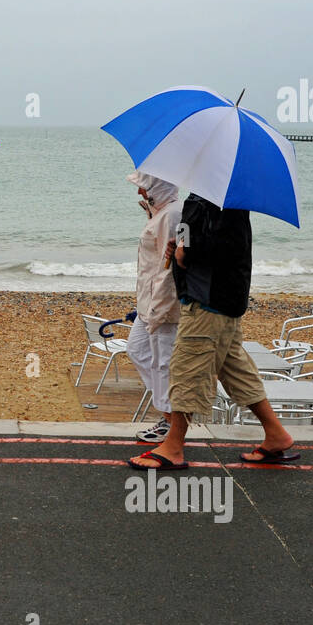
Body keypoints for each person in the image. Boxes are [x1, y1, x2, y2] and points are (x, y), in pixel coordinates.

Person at [127, 192, 297, 470]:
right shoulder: (211, 199)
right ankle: (276, 433)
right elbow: (195, 234)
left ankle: (173, 447)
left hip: (208, 300)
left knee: (186, 368)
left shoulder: (217, 200)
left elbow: (221, 245)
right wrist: (180, 243)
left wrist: (185, 252)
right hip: (219, 299)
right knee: (235, 369)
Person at [124, 171, 182, 443]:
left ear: (158, 186)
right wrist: (150, 212)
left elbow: (168, 267)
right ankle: (168, 412)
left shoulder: (172, 215)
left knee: (163, 363)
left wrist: (161, 306)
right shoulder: (160, 214)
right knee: (136, 350)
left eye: (144, 187)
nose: (139, 193)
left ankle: (171, 421)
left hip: (162, 304)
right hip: (148, 302)